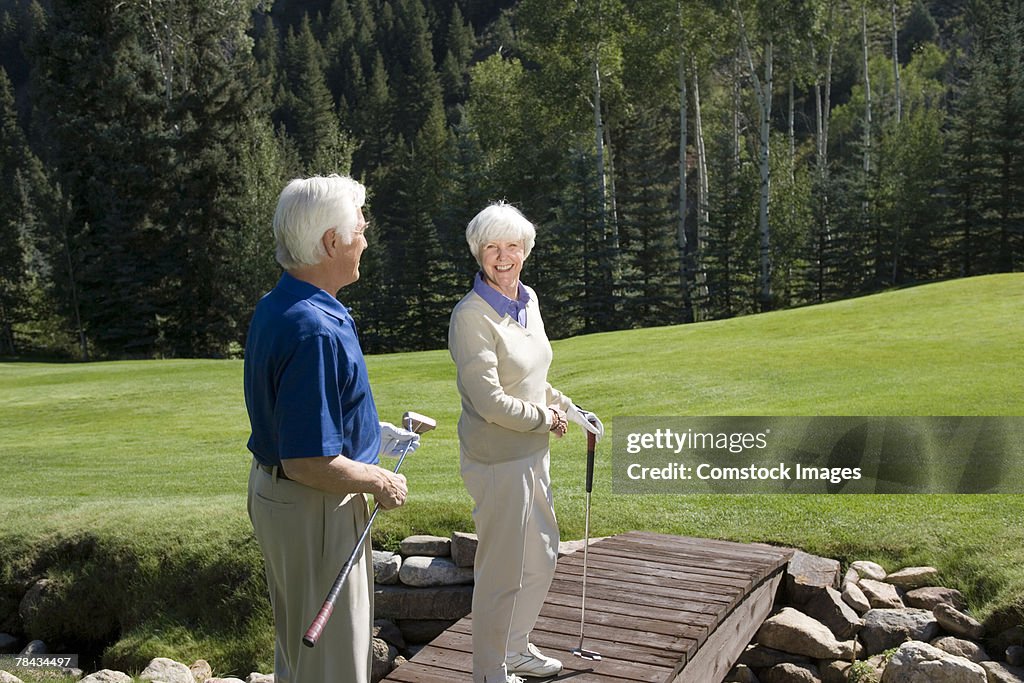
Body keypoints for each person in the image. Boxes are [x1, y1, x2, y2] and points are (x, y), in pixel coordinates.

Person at [243, 175, 419, 683]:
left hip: (288, 501)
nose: (365, 238)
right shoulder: (314, 328)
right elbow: (308, 462)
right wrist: (379, 480)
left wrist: (376, 434)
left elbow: (300, 419)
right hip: (316, 505)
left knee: (305, 663)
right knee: (334, 668)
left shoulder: (283, 304)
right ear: (331, 242)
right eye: (360, 228)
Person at [447, 201, 604, 683]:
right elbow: (491, 401)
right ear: (478, 252)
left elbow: (537, 379)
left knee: (542, 554)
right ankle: (489, 672)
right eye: (491, 246)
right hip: (496, 462)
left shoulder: (528, 300)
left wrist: (573, 412)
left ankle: (515, 649)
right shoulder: (471, 317)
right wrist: (546, 419)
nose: (502, 256)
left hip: (534, 453)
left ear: (525, 250)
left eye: (512, 245)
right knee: (501, 573)